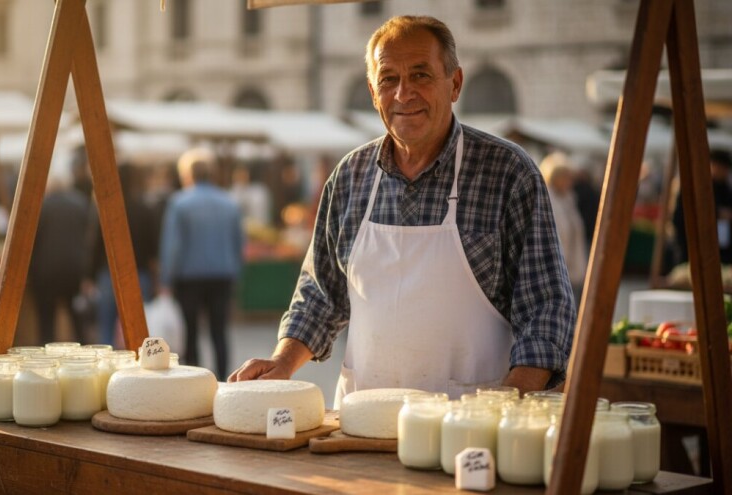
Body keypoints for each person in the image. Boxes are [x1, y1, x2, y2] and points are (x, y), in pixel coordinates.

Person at [229, 16, 575, 404]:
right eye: (388, 79)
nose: (403, 94)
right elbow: (321, 294)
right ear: (373, 92)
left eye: (421, 75)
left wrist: (510, 403)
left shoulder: (509, 172)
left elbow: (546, 308)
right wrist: (282, 361)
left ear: (455, 83)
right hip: (363, 419)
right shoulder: (349, 176)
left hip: (469, 427)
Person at [159, 148, 244, 378]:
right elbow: (238, 243)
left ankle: (194, 379)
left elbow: (172, 245)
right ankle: (225, 379)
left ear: (187, 175)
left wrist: (166, 278)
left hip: (189, 277)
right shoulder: (229, 202)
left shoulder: (179, 203)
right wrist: (236, 272)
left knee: (191, 332)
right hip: (222, 275)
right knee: (219, 331)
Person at [85, 163, 160, 347]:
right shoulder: (144, 208)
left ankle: (108, 372)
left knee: (106, 327)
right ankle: (138, 370)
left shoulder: (105, 208)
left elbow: (94, 244)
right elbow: (153, 247)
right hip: (138, 273)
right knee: (138, 331)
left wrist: (88, 275)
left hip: (109, 274)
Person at [30, 173, 91, 345]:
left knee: (46, 322)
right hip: (74, 270)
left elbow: (33, 241)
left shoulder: (42, 206)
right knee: (78, 320)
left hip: (46, 271)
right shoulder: (80, 204)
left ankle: (46, 356)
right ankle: (85, 354)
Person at [540, 152, 588, 303]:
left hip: (574, 270)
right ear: (555, 177)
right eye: (565, 176)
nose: (570, 180)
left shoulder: (569, 199)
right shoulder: (546, 200)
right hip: (556, 272)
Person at [673, 148, 732, 266]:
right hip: (695, 246)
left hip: (723, 249)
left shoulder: (725, 189)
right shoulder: (697, 187)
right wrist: (717, 214)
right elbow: (684, 215)